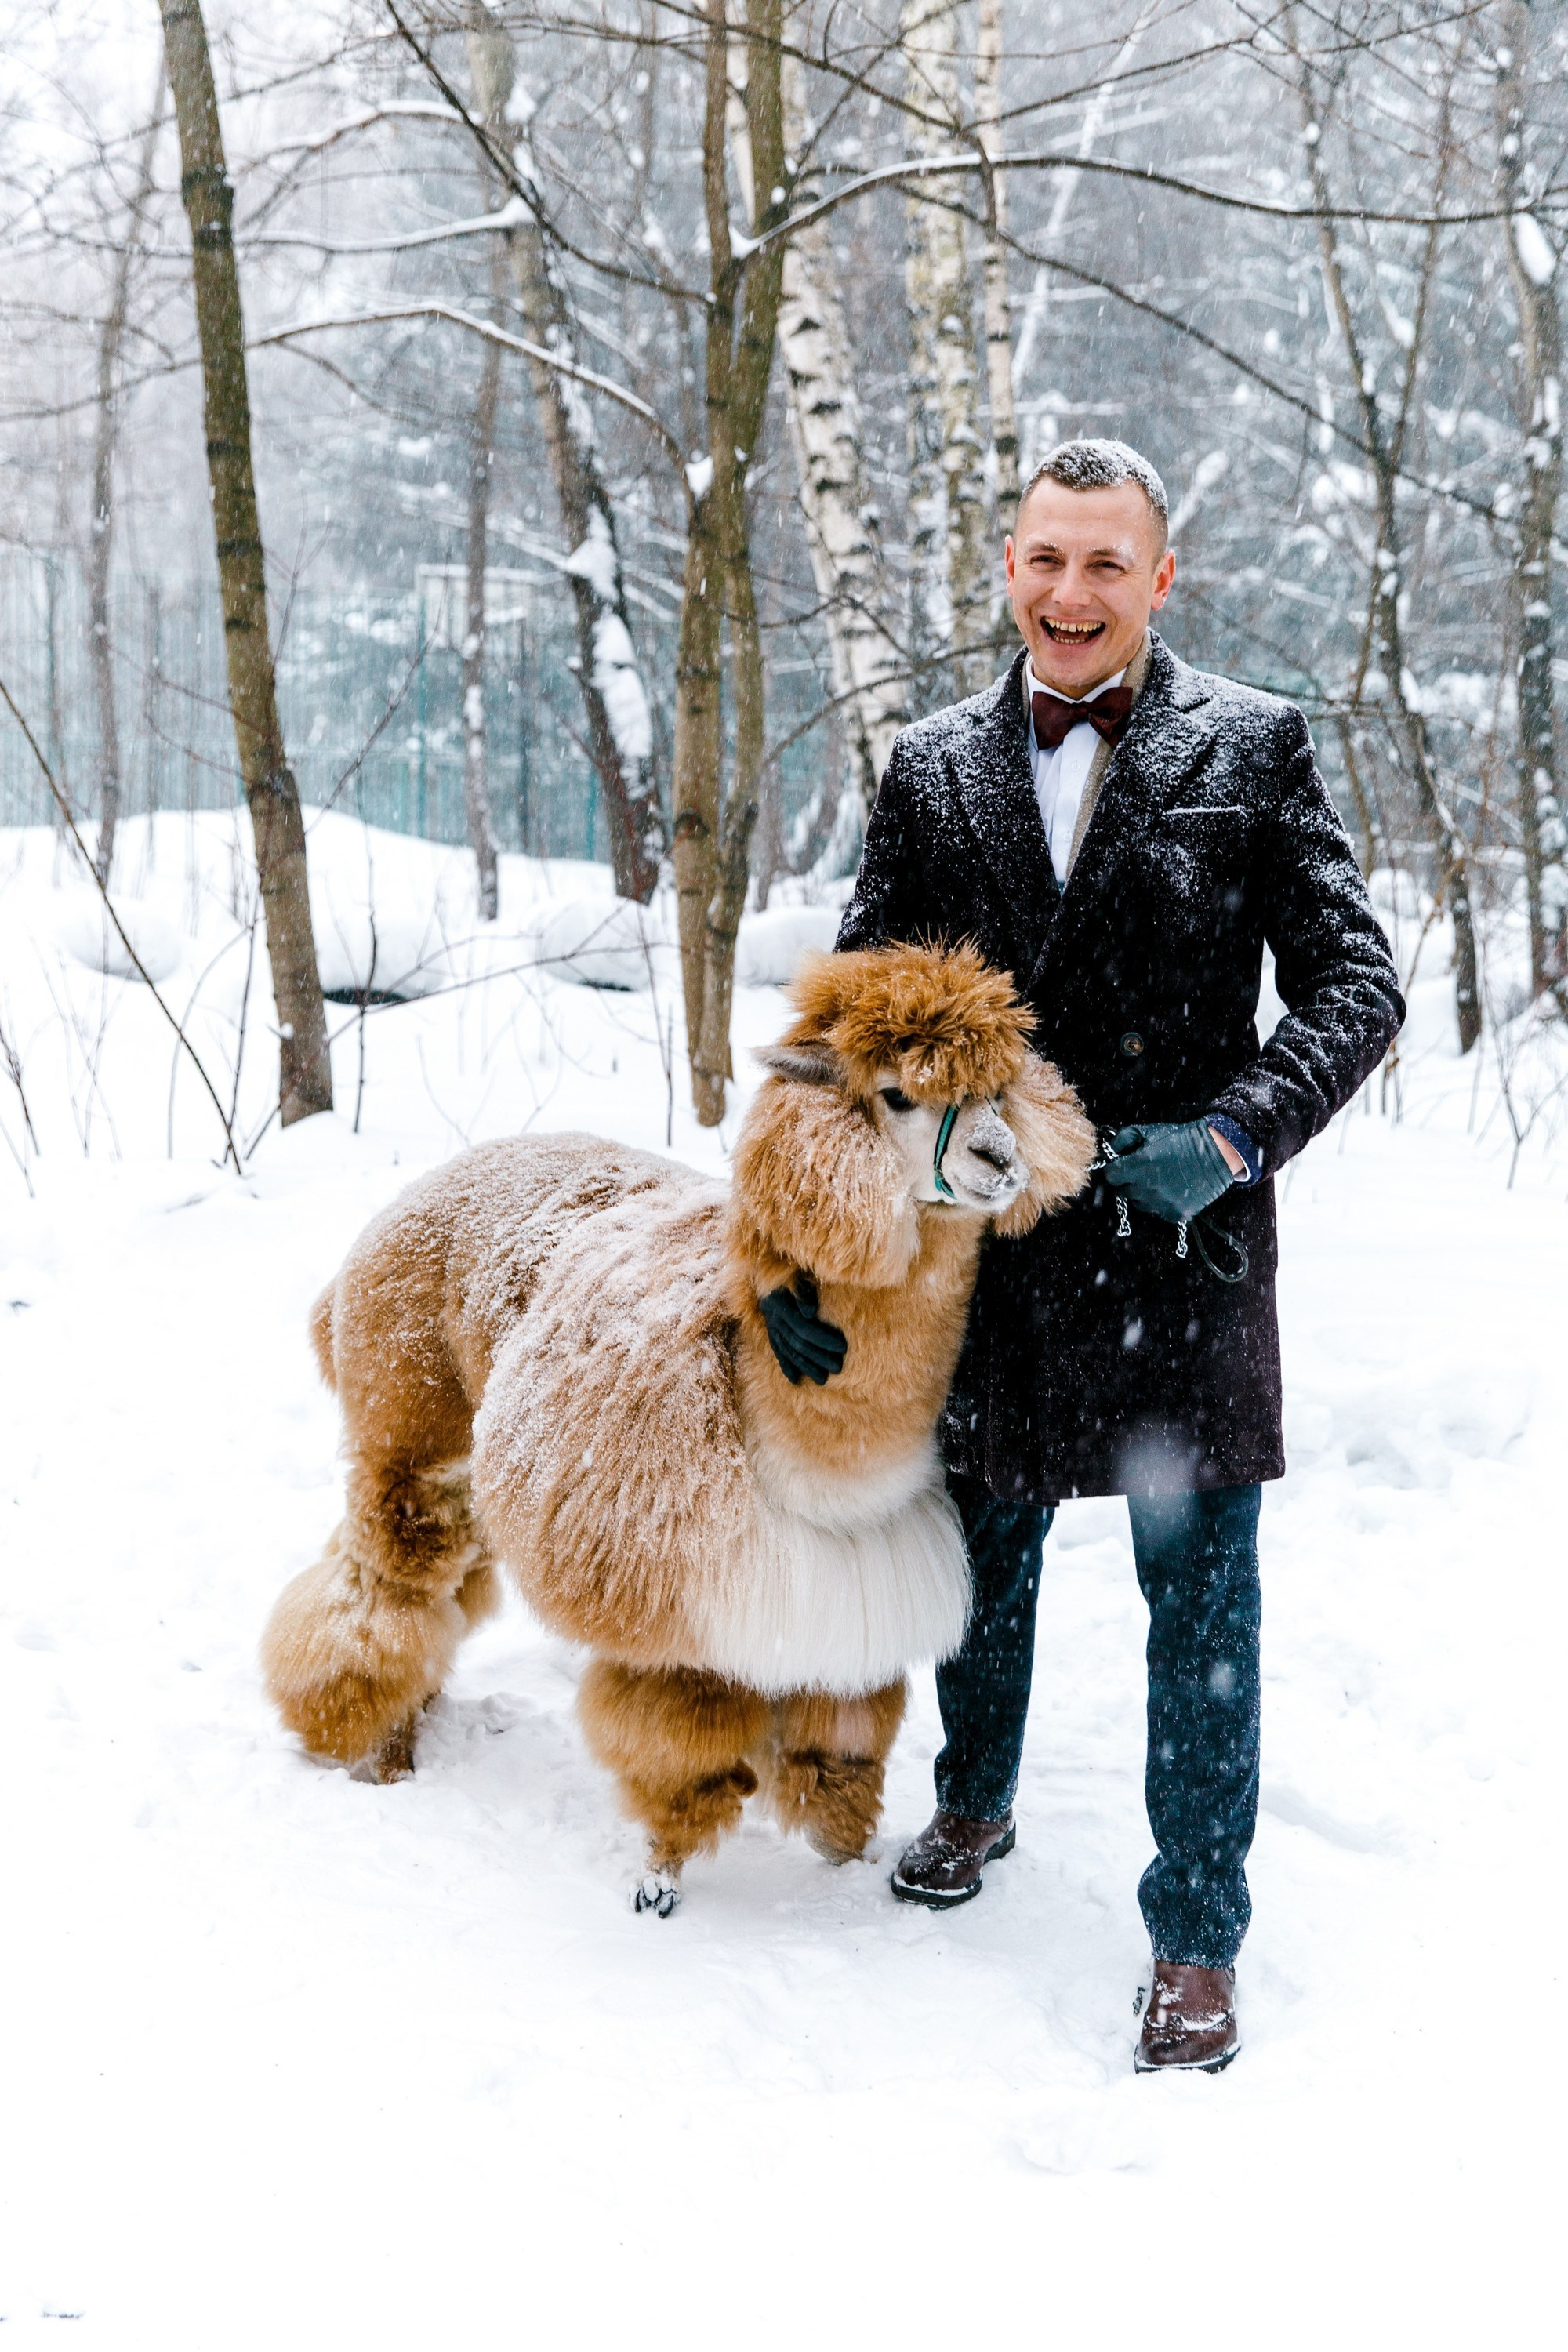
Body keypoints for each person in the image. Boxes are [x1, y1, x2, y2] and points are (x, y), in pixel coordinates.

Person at [760, 438, 1404, 2073]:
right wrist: (792, 1250)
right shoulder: (926, 766)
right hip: (988, 1263)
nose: (1070, 592)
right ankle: (971, 1807)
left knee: (1199, 1612)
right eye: (1045, 558)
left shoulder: (1250, 747)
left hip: (1185, 1264)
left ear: (1158, 579)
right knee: (982, 1565)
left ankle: (1197, 1935)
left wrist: (1240, 1133)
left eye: (1105, 563)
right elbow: (849, 1026)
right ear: (1006, 568)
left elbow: (1355, 986)